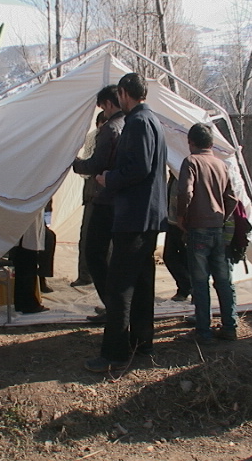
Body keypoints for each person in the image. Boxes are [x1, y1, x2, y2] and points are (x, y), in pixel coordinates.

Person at [84, 73, 168, 372]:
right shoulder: (153, 120)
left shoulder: (138, 122)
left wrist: (110, 178)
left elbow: (140, 168)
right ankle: (142, 342)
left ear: (123, 93)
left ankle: (115, 354)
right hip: (147, 214)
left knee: (120, 286)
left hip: (135, 215)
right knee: (143, 282)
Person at [177, 123, 238, 345]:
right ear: (211, 143)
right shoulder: (221, 165)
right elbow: (232, 197)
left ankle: (203, 330)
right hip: (218, 228)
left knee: (200, 281)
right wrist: (222, 216)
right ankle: (229, 326)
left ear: (190, 142)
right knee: (224, 280)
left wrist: (182, 216)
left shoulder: (191, 162)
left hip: (198, 228)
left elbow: (185, 191)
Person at [73, 87, 125, 323]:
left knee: (95, 251)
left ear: (108, 104)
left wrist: (76, 164)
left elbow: (97, 163)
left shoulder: (111, 129)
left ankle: (113, 307)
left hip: (106, 199)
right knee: (113, 254)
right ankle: (116, 306)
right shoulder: (134, 125)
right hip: (122, 200)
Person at [70, 111, 108, 288]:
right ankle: (85, 275)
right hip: (93, 194)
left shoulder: (115, 137)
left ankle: (101, 275)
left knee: (107, 240)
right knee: (87, 236)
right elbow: (88, 167)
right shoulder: (93, 138)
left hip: (108, 195)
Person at [12, 209, 49, 313]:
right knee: (27, 264)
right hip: (26, 223)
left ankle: (22, 302)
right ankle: (28, 304)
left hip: (26, 222)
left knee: (25, 264)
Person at [164, 172, 191, 302]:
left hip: (184, 223)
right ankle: (186, 286)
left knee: (186, 258)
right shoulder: (174, 176)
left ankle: (186, 288)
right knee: (170, 256)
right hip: (173, 222)